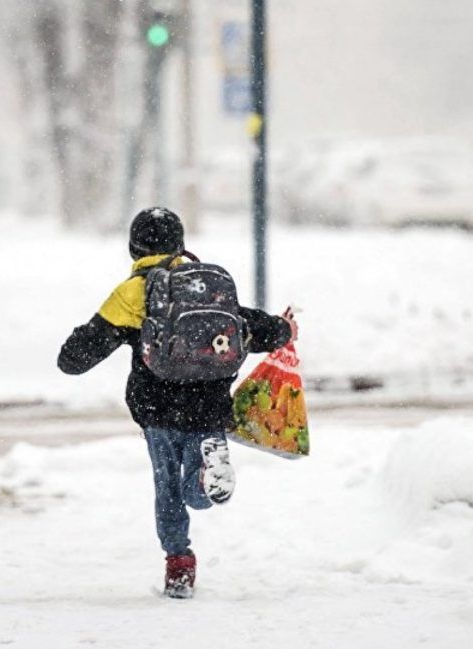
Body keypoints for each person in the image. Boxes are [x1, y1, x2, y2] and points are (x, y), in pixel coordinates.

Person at [57, 207, 296, 599]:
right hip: (210, 403)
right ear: (181, 243)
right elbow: (250, 325)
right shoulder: (209, 284)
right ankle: (205, 476)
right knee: (194, 488)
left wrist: (80, 342)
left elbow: (75, 359)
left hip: (159, 407)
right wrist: (284, 328)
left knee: (167, 488)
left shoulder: (133, 292)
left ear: (134, 247)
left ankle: (179, 565)